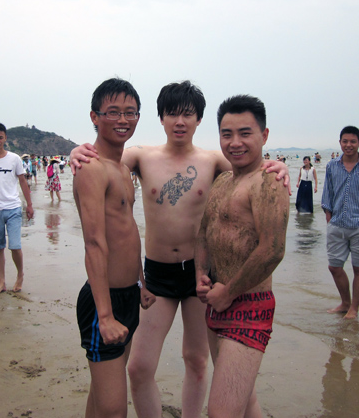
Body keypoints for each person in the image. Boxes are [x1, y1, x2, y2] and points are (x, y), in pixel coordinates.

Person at [70, 80, 290, 418]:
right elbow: (104, 158)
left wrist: (280, 167)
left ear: (199, 119)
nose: (180, 121)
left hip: (199, 275)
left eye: (188, 114)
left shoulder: (213, 160)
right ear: (160, 118)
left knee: (196, 359)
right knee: (139, 367)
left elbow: (251, 171)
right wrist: (76, 152)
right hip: (157, 273)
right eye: (172, 114)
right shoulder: (141, 156)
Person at [196, 95, 289, 418]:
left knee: (221, 412)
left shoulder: (268, 182)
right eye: (227, 134)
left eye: (245, 133)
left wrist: (229, 292)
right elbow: (204, 233)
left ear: (264, 135)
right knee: (244, 403)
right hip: (217, 299)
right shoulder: (223, 181)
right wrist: (201, 274)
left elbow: (273, 250)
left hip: (249, 304)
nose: (235, 143)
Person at [73, 77, 155, 418]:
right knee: (114, 410)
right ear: (95, 116)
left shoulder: (122, 169)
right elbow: (94, 242)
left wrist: (140, 282)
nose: (123, 120)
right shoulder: (91, 169)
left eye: (130, 112)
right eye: (113, 112)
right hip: (102, 301)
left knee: (101, 398)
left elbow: (126, 231)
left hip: (127, 294)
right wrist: (105, 316)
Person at [321, 126, 359, 319]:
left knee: (358, 268)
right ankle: (345, 303)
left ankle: (354, 308)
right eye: (345, 141)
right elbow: (327, 194)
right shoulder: (332, 166)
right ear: (340, 143)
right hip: (336, 224)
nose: (348, 145)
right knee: (334, 267)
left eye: (353, 141)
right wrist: (329, 218)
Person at [0, 123, 34, 295]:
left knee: (14, 245)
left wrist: (29, 204)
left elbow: (22, 181)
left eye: (0, 137)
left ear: (5, 138)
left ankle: (20, 274)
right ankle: (1, 282)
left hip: (13, 207)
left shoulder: (14, 159)